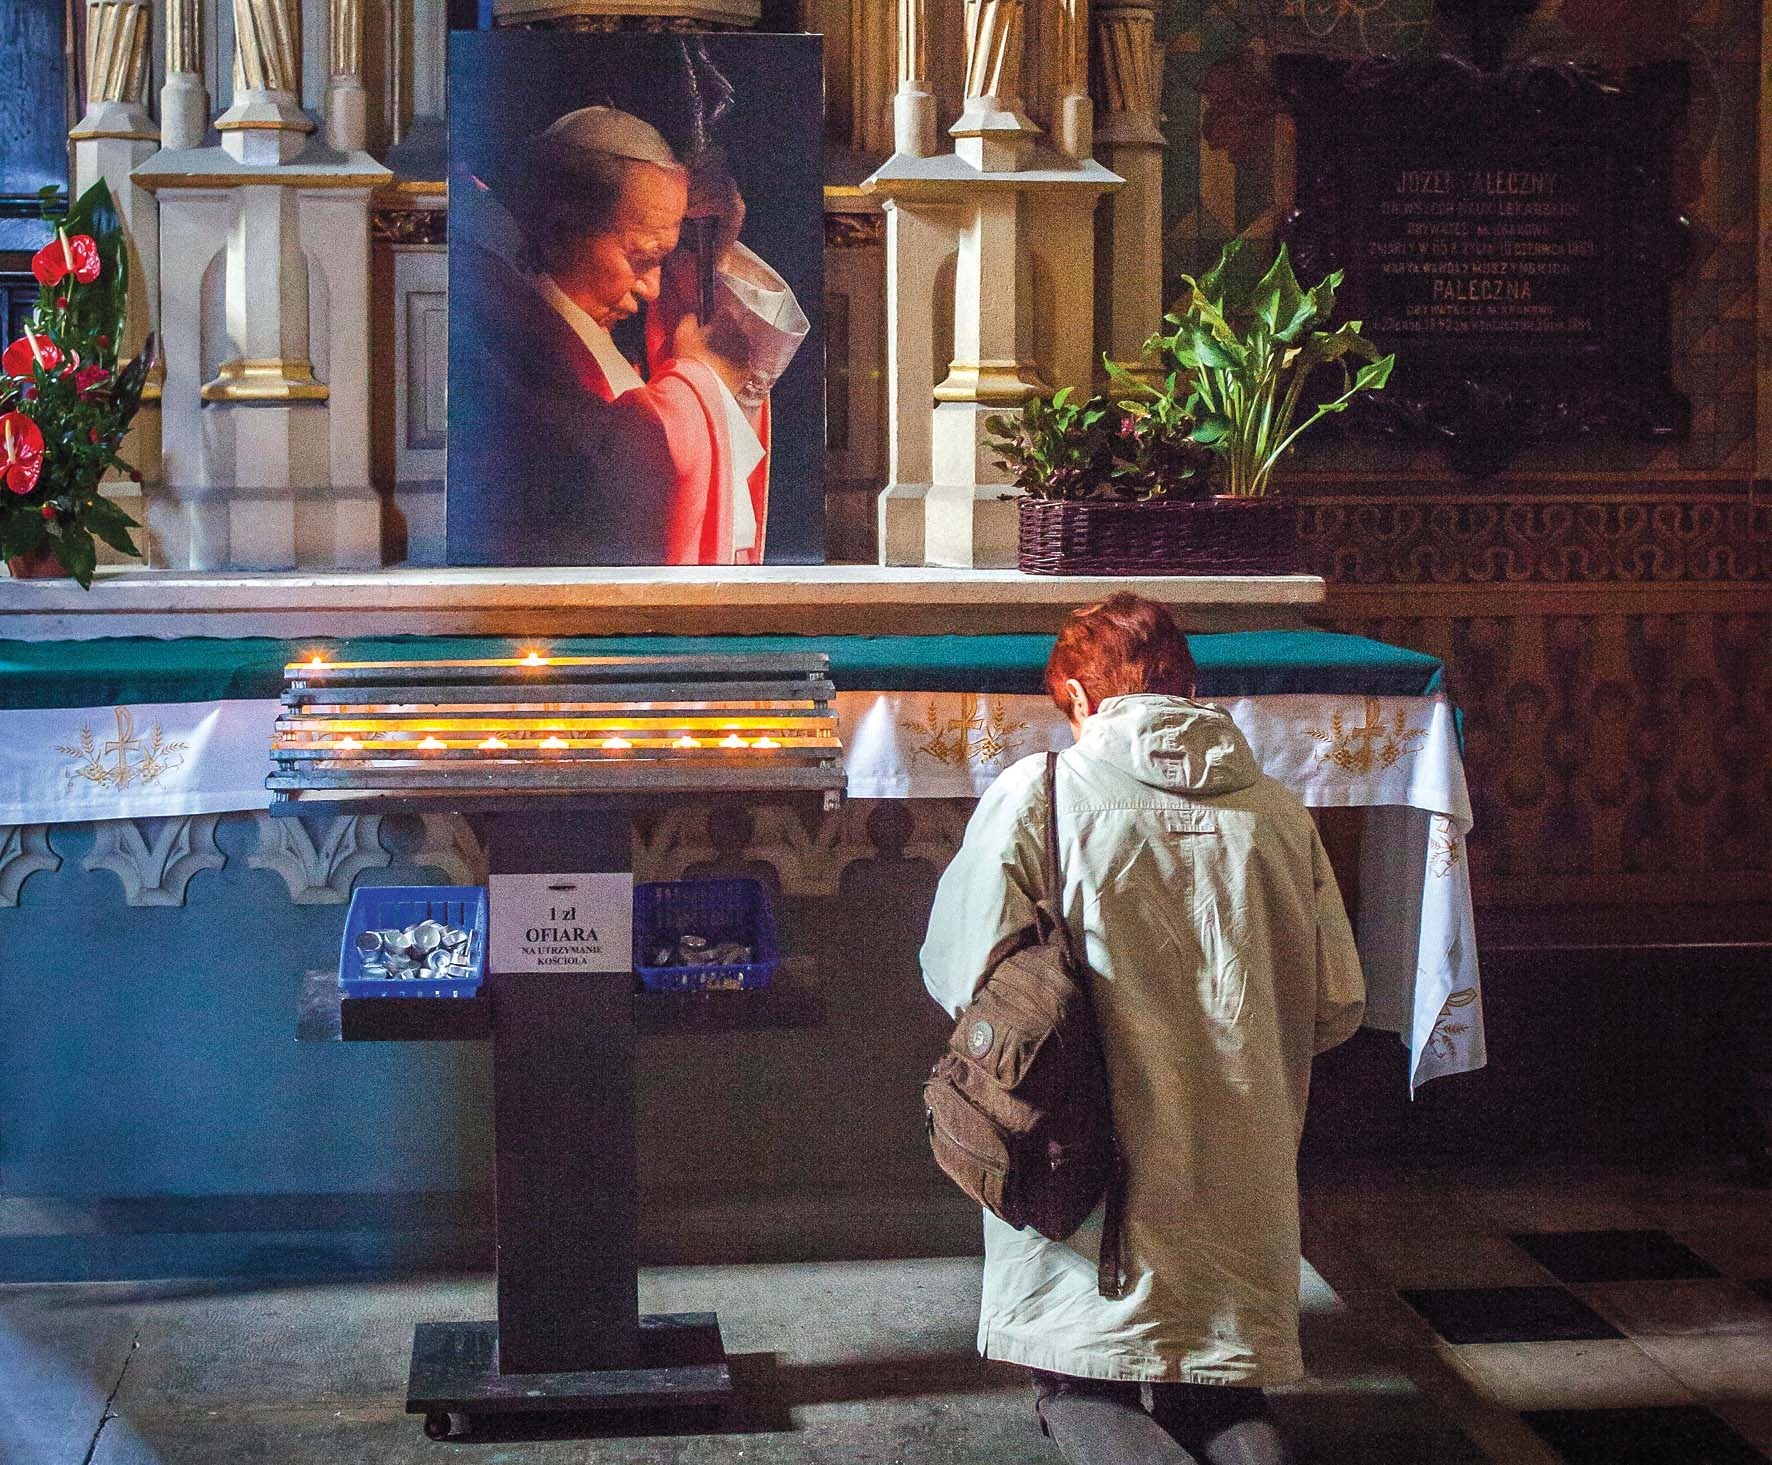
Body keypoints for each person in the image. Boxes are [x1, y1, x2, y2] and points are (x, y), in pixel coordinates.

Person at [920, 593, 1366, 1465]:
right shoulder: (1279, 813)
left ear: (1083, 699)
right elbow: (1337, 1002)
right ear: (1187, 686)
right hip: (1239, 1166)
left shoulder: (1041, 791)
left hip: (1085, 1161)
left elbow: (958, 973)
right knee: (1226, 1384)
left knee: (1085, 1372)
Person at [447, 105, 808, 566]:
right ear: (560, 232)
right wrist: (701, 383)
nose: (653, 287)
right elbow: (601, 475)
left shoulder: (560, 287)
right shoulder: (491, 305)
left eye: (664, 259)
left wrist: (710, 253)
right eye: (642, 259)